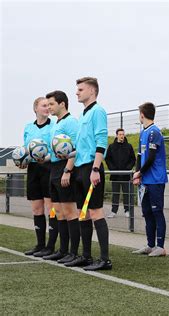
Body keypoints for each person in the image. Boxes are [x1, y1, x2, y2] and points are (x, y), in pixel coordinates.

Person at [69, 77, 111, 271]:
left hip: (91, 169)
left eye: (80, 89)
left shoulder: (98, 111)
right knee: (82, 214)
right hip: (79, 168)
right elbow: (81, 147)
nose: (77, 92)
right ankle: (86, 256)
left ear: (92, 91)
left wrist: (95, 168)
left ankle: (105, 260)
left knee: (95, 212)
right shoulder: (83, 115)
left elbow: (101, 141)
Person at [43, 91, 80, 263]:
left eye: (51, 104)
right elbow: (55, 152)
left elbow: (75, 148)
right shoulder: (56, 124)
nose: (49, 107)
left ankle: (73, 252)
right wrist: (40, 159)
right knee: (58, 212)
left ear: (62, 104)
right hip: (54, 169)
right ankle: (63, 250)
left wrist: (68, 170)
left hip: (64, 170)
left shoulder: (71, 122)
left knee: (70, 212)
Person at [132, 102, 168, 257]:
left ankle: (160, 246)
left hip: (156, 180)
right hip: (145, 180)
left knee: (157, 211)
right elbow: (140, 156)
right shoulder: (143, 133)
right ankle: (150, 244)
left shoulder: (155, 132)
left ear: (142, 114)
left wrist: (139, 172)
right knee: (146, 212)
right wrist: (137, 173)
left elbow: (151, 158)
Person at [23, 97, 56, 257]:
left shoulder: (54, 126)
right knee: (36, 208)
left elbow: (58, 148)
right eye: (44, 105)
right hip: (33, 170)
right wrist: (22, 160)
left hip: (48, 168)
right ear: (35, 108)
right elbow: (25, 150)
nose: (47, 108)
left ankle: (50, 247)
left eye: (49, 105)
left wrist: (46, 158)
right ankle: (40, 245)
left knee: (51, 209)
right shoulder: (28, 127)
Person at [105, 128, 136, 218]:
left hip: (126, 176)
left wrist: (128, 169)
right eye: (120, 134)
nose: (122, 136)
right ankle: (113, 211)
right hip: (115, 176)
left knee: (127, 194)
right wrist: (113, 169)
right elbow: (108, 159)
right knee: (115, 194)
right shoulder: (111, 146)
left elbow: (133, 159)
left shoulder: (129, 146)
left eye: (123, 134)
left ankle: (127, 210)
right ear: (117, 135)